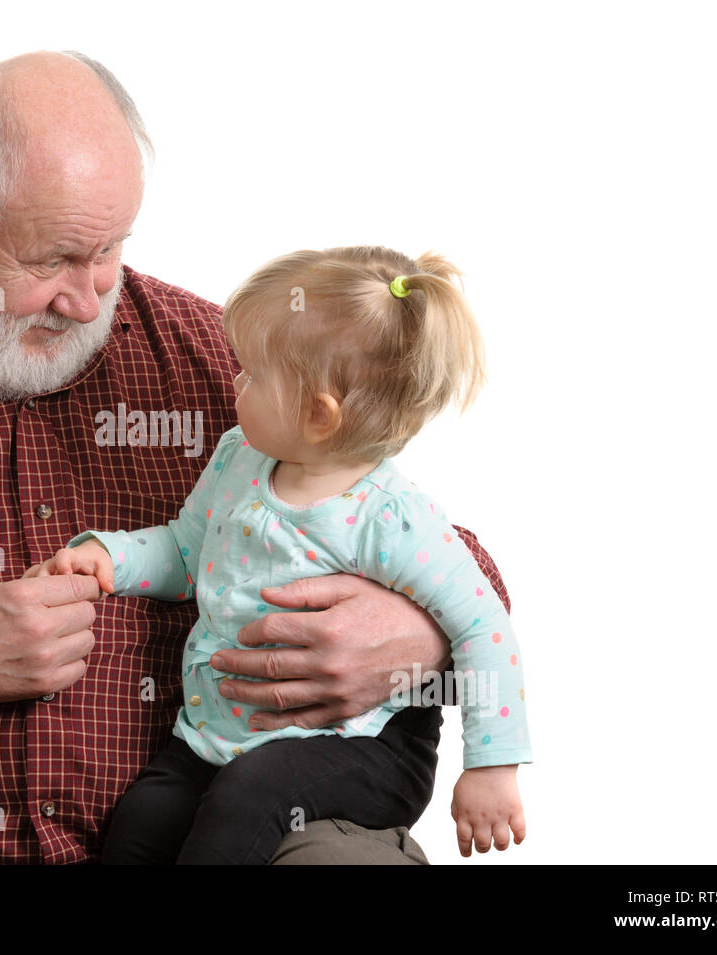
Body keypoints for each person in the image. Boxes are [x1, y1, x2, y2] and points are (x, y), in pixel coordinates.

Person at [0, 50, 511, 865]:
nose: (89, 295)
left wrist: (413, 636)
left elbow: (436, 553)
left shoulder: (222, 366)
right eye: (53, 258)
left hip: (216, 831)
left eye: (110, 248)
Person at [28, 246, 531, 863]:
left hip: (361, 748)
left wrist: (492, 766)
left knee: (250, 798)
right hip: (222, 734)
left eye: (253, 375)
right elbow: (187, 553)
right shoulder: (240, 457)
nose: (234, 382)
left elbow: (485, 629)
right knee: (146, 817)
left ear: (318, 416)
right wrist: (110, 557)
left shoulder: (390, 516)